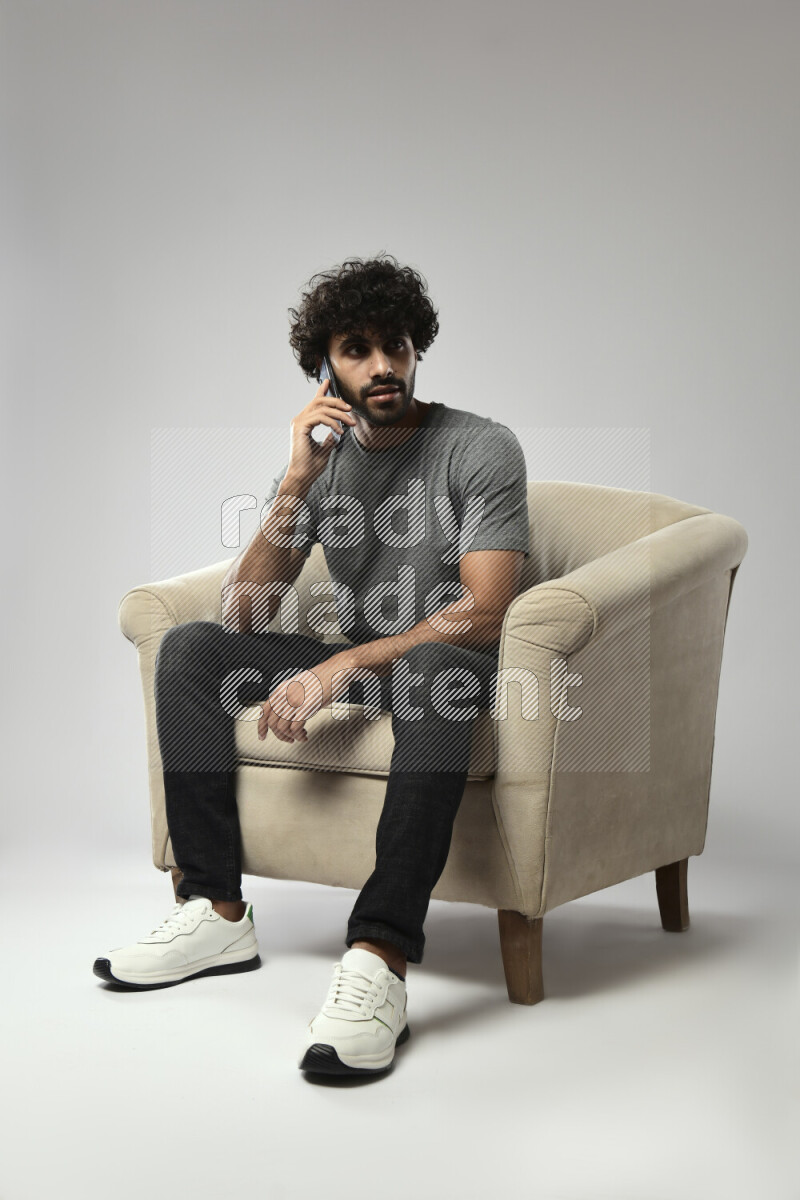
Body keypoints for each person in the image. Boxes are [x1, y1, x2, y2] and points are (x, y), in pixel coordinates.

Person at [94, 254, 530, 1077]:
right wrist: (298, 479)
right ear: (325, 366)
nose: (382, 366)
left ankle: (379, 957)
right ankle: (215, 911)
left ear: (416, 349)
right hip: (363, 656)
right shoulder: (324, 465)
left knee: (437, 669)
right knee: (191, 651)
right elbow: (246, 615)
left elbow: (486, 609)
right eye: (357, 349)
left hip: (448, 660)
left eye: (395, 346)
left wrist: (340, 668)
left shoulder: (480, 447)